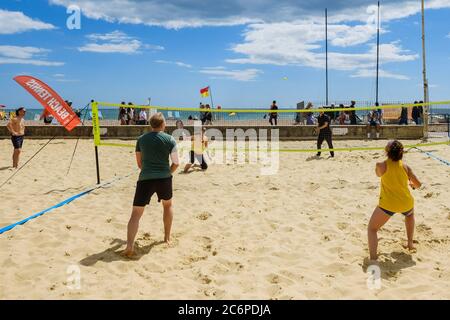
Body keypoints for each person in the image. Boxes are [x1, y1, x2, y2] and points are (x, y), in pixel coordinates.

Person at [123, 113, 180, 257]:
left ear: (151, 124)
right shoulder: (170, 139)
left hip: (145, 178)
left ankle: (129, 245)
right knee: (168, 206)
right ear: (163, 124)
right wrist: (168, 173)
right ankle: (167, 238)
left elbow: (139, 164)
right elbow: (176, 163)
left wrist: (149, 171)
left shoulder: (141, 140)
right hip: (164, 178)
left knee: (136, 214)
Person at [367, 140, 422, 261]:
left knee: (372, 229)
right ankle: (410, 244)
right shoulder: (406, 167)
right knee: (410, 215)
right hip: (406, 202)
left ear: (387, 152)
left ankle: (373, 258)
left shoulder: (380, 165)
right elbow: (418, 185)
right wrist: (412, 184)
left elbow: (378, 174)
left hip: (388, 204)